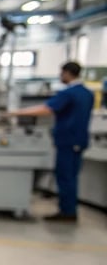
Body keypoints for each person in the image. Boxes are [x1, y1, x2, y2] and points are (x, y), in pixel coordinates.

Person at [8, 61, 94, 222]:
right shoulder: (88, 93)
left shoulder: (69, 93)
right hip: (78, 140)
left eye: (62, 74)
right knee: (72, 176)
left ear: (67, 73)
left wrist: (16, 113)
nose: (61, 77)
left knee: (65, 176)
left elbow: (47, 109)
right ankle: (69, 209)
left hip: (67, 140)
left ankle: (67, 212)